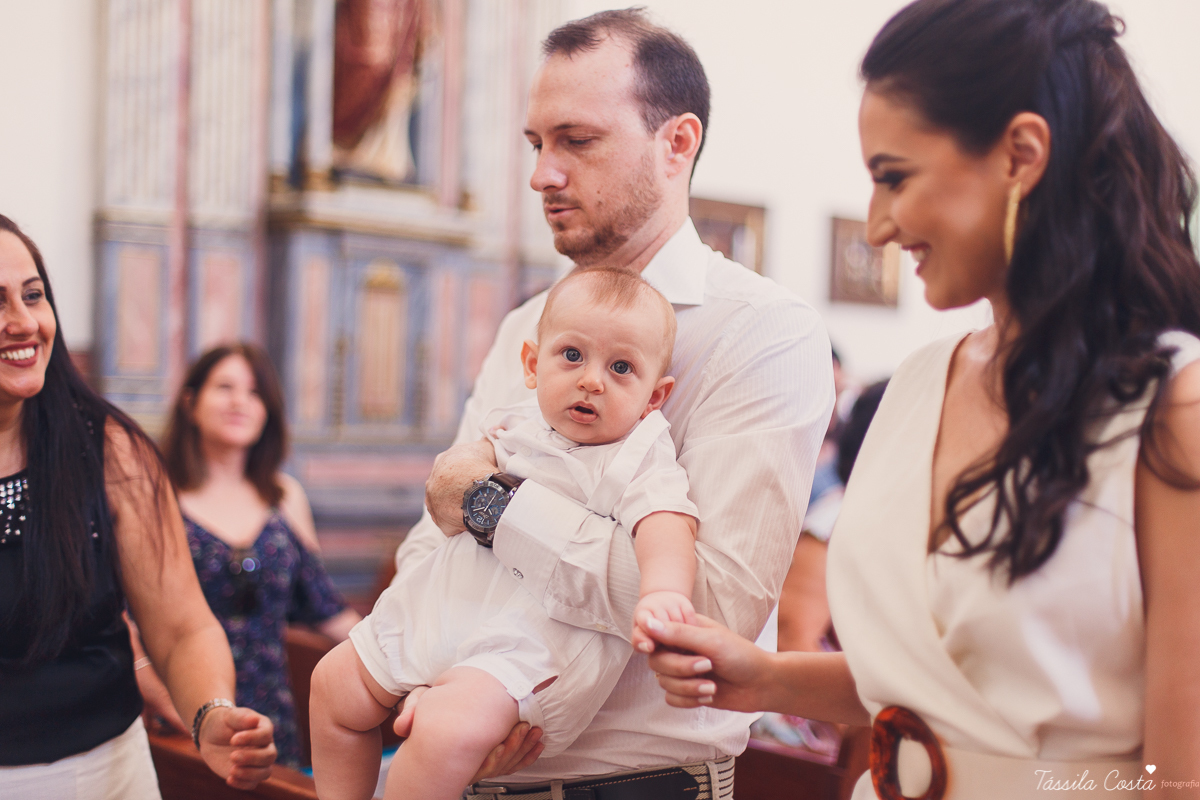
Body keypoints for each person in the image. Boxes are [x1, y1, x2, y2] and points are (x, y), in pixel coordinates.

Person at [643, 1, 1200, 798]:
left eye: (894, 178)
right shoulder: (918, 382)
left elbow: (1177, 778)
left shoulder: (1172, 406)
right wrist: (764, 676)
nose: (876, 227)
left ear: (1021, 156)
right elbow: (940, 687)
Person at [395, 9, 834, 798]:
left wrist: (494, 506)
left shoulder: (763, 333)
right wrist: (429, 687)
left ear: (677, 143)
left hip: (639, 784)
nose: (542, 175)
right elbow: (433, 534)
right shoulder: (528, 325)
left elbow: (710, 609)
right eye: (536, 144)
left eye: (577, 140)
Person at [311, 268, 702, 800]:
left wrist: (663, 592)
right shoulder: (517, 424)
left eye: (621, 367)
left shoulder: (637, 454)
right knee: (332, 686)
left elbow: (667, 523)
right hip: (443, 607)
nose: (592, 380)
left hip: (525, 647)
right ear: (532, 365)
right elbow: (444, 500)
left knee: (443, 730)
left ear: (655, 396)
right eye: (572, 355)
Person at [0, 215, 277, 797]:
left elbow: (181, 627)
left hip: (103, 776)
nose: (22, 322)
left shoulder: (110, 450)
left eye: (33, 295)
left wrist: (210, 712)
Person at [140, 343, 361, 768]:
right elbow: (130, 618)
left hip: (270, 711)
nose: (240, 401)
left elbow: (325, 607)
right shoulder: (156, 494)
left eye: (255, 392)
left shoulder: (284, 496)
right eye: (225, 387)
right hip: (183, 712)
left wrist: (405, 659)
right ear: (190, 402)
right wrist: (167, 704)